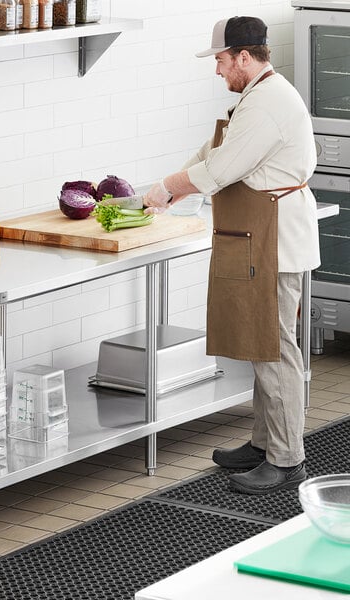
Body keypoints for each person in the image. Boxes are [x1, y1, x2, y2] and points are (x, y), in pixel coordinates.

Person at [142, 16, 320, 495]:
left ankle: (287, 461)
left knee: (276, 348)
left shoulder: (266, 104)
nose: (217, 70)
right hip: (264, 233)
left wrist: (166, 189)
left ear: (244, 56)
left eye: (220, 60)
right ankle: (265, 444)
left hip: (275, 239)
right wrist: (171, 186)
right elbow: (213, 150)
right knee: (263, 344)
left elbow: (221, 168)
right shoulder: (257, 96)